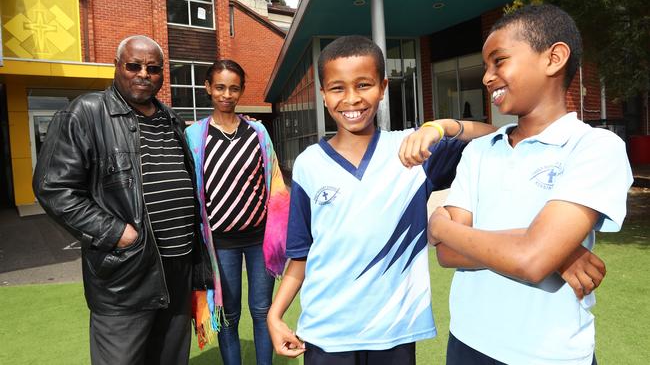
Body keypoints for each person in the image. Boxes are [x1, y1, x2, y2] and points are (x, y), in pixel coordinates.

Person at [266, 35, 497, 364]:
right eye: (337, 88)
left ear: (383, 86)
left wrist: (438, 126)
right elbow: (302, 255)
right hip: (326, 334)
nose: (351, 99)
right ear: (322, 94)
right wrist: (275, 315)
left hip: (394, 331)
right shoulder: (308, 165)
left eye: (363, 85)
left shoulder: (414, 150)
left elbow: (495, 135)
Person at [428, 4, 633, 365]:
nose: (487, 77)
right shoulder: (479, 151)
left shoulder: (594, 147)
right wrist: (558, 250)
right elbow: (446, 253)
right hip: (467, 342)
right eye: (487, 66)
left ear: (553, 58)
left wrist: (442, 225)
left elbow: (532, 259)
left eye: (499, 60)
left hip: (549, 354)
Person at [33, 35, 202, 365]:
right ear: (117, 66)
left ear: (162, 74)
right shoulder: (85, 113)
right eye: (133, 65)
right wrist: (117, 233)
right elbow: (53, 188)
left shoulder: (172, 119)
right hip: (127, 274)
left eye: (153, 68)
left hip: (178, 269)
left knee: (170, 358)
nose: (143, 74)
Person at [185, 59, 289, 365]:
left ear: (241, 91)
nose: (226, 94)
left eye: (233, 88)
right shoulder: (195, 136)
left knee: (262, 310)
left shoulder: (257, 132)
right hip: (221, 244)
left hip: (261, 240)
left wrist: (282, 232)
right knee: (228, 314)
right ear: (208, 88)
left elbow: (275, 180)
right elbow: (192, 190)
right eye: (220, 87)